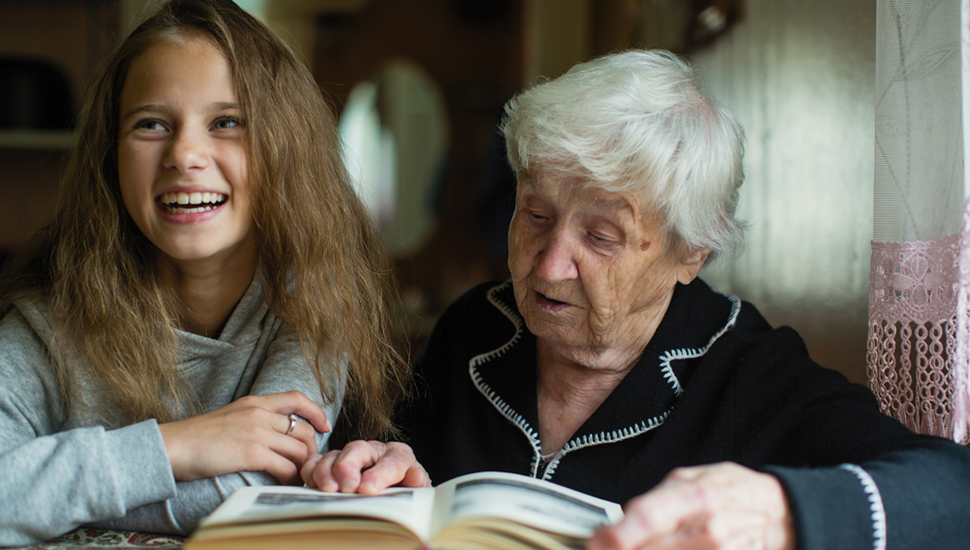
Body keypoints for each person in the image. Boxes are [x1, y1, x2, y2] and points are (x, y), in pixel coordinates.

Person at [304, 50, 970, 549]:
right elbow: (401, 474)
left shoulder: (745, 370)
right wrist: (375, 469)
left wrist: (786, 509)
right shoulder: (478, 327)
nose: (550, 263)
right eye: (534, 214)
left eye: (601, 235)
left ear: (690, 253)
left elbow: (953, 490)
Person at [0, 0, 407, 545]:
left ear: (283, 148)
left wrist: (53, 497)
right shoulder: (43, 323)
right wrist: (178, 446)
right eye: (151, 123)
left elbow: (250, 494)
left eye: (227, 122)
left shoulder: (311, 309)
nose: (185, 154)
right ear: (110, 155)